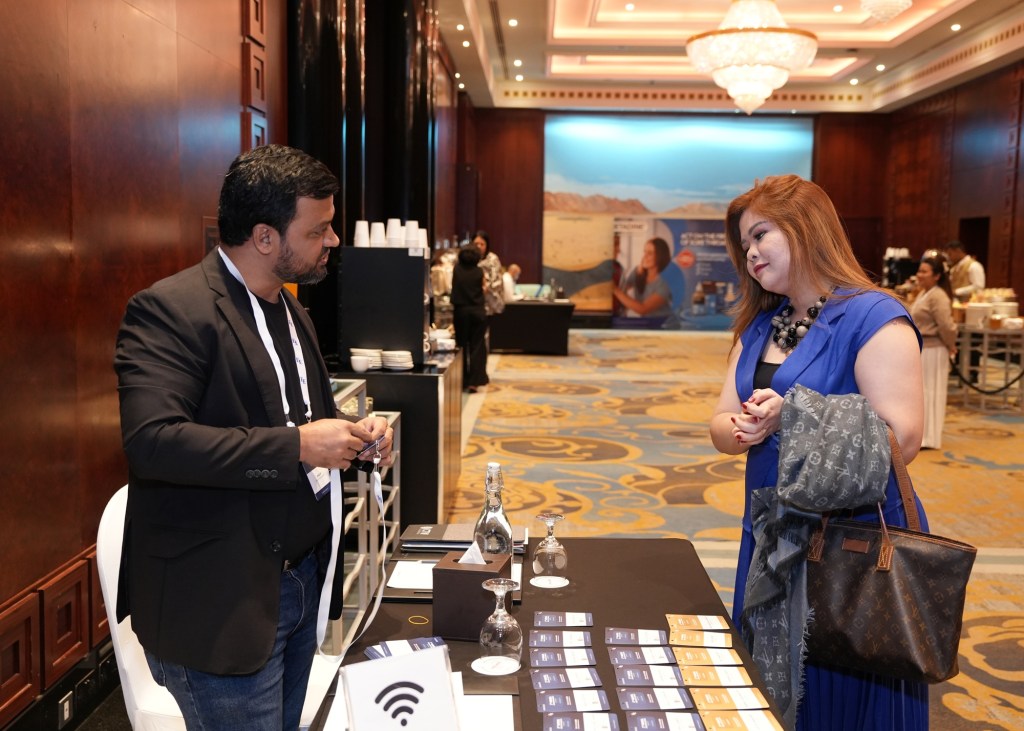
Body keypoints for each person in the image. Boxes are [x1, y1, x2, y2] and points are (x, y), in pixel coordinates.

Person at [114, 144, 393, 731]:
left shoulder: (294, 312)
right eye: (317, 230)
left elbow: (308, 420)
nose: (332, 240)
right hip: (222, 598)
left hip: (299, 580)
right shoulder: (172, 310)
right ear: (265, 237)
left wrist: (356, 438)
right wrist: (299, 446)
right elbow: (154, 441)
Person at [709, 175, 929, 730]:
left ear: (805, 227)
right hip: (771, 532)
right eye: (744, 244)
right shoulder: (761, 325)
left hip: (850, 541)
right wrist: (740, 428)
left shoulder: (874, 316)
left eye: (761, 234)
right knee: (771, 687)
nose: (750, 252)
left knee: (843, 691)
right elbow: (719, 422)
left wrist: (794, 415)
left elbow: (902, 438)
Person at [910, 253, 958, 449]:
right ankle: (922, 434)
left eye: (924, 272)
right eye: (919, 271)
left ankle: (929, 436)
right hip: (924, 349)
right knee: (922, 391)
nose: (919, 275)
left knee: (931, 390)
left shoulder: (938, 296)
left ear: (937, 276)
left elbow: (946, 326)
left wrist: (951, 344)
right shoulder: (924, 293)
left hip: (935, 349)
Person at [451, 243, 488, 392]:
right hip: (477, 311)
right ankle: (474, 381)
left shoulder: (456, 269)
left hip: (461, 312)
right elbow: (484, 289)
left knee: (461, 346)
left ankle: (462, 380)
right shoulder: (479, 271)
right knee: (477, 346)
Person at [613, 237, 673, 320]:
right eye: (644, 252)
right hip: (647, 322)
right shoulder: (638, 272)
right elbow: (623, 289)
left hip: (664, 324)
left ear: (660, 257)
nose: (644, 256)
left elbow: (643, 309)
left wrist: (615, 289)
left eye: (650, 253)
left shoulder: (667, 281)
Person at [472, 230, 505, 317]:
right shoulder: (468, 259)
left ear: (487, 245)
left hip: (490, 303)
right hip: (473, 302)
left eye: (482, 244)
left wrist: (484, 287)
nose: (479, 246)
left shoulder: (492, 259)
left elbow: (496, 280)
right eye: (476, 244)